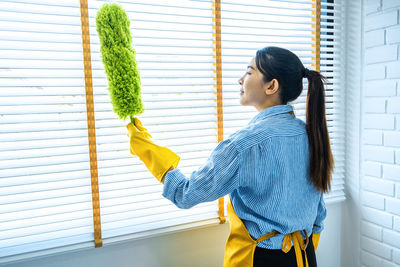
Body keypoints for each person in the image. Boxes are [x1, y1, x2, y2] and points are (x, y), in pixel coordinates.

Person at [127, 46, 333, 267]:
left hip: (262, 260)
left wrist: (147, 149)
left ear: (271, 86)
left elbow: (185, 193)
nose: (240, 79)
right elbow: (318, 213)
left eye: (249, 71)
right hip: (305, 254)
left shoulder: (244, 145)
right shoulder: (312, 135)